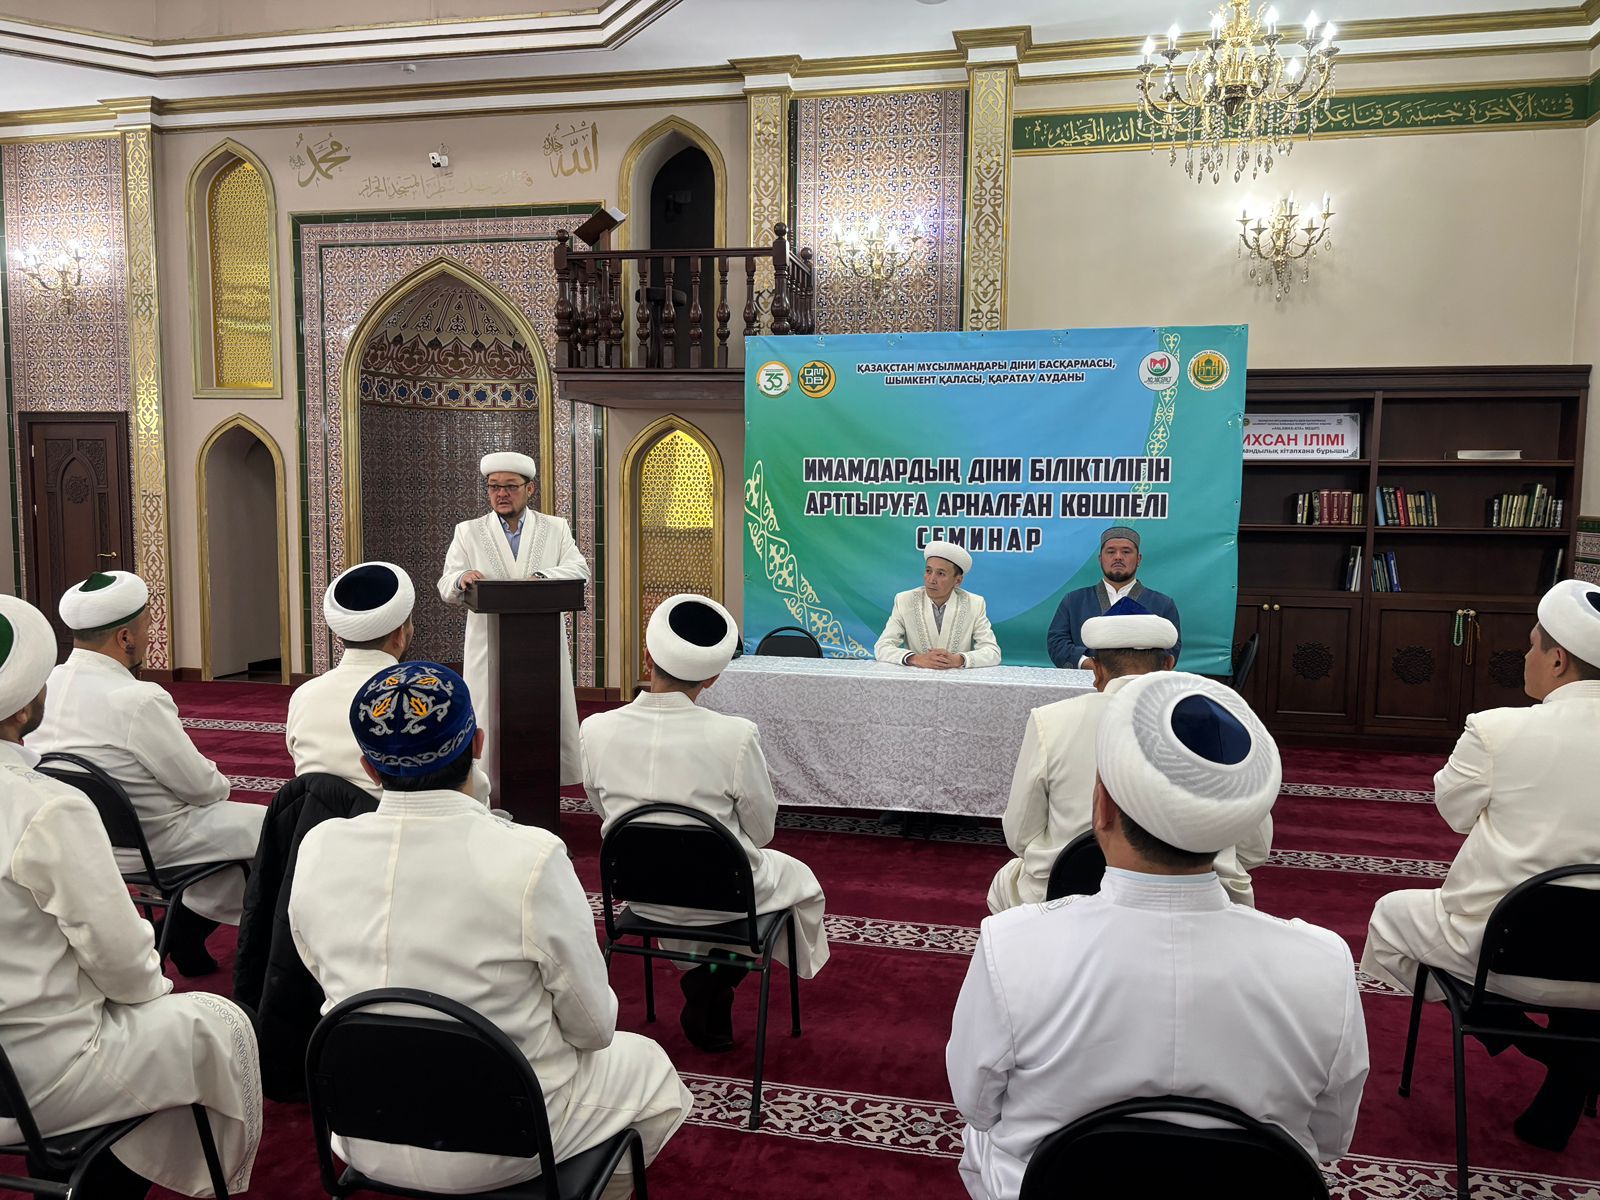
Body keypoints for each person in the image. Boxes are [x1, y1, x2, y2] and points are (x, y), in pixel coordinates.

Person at [948, 672, 1367, 1200]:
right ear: (1238, 823)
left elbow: (976, 1105)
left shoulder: (1011, 947)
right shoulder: (1323, 965)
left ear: (1101, 808)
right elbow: (1330, 1139)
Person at [290, 661, 690, 1196]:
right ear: (478, 744)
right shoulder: (530, 857)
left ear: (368, 767)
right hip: (507, 1139)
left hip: (363, 1130)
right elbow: (594, 1029)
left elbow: (318, 970)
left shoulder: (319, 848)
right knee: (652, 1074)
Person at [0, 593, 260, 1198]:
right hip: (35, 1076)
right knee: (222, 1028)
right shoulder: (46, 808)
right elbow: (126, 968)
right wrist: (147, 993)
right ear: (26, 706)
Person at [1362, 577, 1600, 1152]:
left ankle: (1550, 1052)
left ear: (1558, 660)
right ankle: (1576, 1056)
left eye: (1531, 645)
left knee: (1389, 920)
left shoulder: (1497, 730)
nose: (1526, 656)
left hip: (1500, 950)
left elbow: (1455, 814)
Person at [582, 593, 830, 1051]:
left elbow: (606, 814)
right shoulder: (734, 735)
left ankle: (709, 975)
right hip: (724, 896)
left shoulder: (595, 728)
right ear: (714, 677)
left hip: (640, 891)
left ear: (647, 656)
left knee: (706, 876)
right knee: (801, 884)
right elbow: (762, 832)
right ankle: (716, 975)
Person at [31, 570, 264, 977]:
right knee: (277, 827)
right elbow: (204, 788)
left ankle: (183, 934)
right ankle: (246, 956)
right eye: (146, 627)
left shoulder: (44, 685)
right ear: (125, 637)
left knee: (234, 846)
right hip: (154, 843)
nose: (148, 635)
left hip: (83, 839)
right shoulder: (137, 699)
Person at [986, 598, 1176, 913]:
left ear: (1096, 671)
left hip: (1065, 893)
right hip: (1185, 899)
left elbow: (1019, 835)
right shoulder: (1211, 719)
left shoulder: (1050, 720)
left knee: (1006, 882)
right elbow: (1253, 850)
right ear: (1168, 666)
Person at [436, 450, 589, 793]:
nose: (501, 493)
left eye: (510, 486)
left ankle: (539, 790)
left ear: (529, 489)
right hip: (488, 646)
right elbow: (446, 585)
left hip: (541, 651)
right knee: (488, 724)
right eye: (494, 487)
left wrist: (542, 577)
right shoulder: (468, 531)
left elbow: (580, 570)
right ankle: (486, 791)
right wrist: (462, 578)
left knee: (541, 721)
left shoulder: (555, 528)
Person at [289, 560, 488, 802]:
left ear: (340, 635)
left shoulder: (303, 695)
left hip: (314, 822)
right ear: (400, 636)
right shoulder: (429, 697)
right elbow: (473, 790)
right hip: (402, 823)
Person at [1046, 526, 1181, 669]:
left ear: (1138, 559)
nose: (1118, 557)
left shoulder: (1162, 604)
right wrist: (1086, 662)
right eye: (1111, 552)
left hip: (1140, 681)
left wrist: (1133, 667)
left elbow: (1171, 647)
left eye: (1126, 552)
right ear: (1100, 559)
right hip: (1088, 678)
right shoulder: (1074, 601)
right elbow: (1057, 642)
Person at [874, 540, 1001, 670]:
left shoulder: (975, 604)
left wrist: (958, 659)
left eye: (941, 574)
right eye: (928, 571)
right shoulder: (904, 600)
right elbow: (882, 647)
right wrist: (916, 659)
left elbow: (993, 652)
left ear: (958, 581)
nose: (931, 580)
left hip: (957, 680)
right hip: (917, 678)